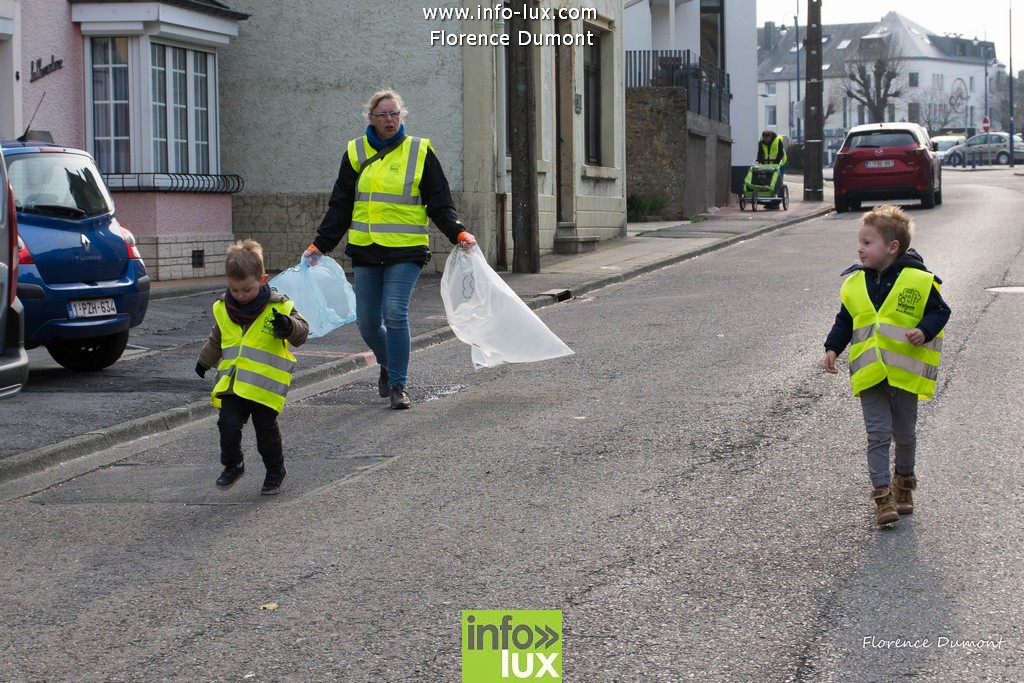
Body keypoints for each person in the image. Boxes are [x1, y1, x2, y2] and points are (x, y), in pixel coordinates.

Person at [303, 88, 476, 409]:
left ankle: (398, 384)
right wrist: (321, 244)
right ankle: (387, 363)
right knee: (367, 322)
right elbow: (341, 205)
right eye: (383, 115)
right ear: (371, 118)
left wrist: (458, 233)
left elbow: (439, 202)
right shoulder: (355, 152)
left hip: (406, 250)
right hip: (365, 249)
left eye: (395, 114)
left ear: (402, 116)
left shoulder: (419, 152)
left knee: (394, 313)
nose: (389, 120)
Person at [823, 206, 951, 526]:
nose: (860, 248)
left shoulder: (919, 281)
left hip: (904, 373)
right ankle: (882, 496)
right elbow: (845, 321)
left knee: (905, 435)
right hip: (870, 373)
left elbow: (940, 311)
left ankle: (904, 484)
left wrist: (925, 330)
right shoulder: (854, 285)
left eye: (868, 242)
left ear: (892, 247)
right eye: (860, 242)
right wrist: (832, 348)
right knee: (878, 434)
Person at [196, 239, 310, 495]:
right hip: (233, 384)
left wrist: (289, 326)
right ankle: (233, 465)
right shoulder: (224, 308)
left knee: (265, 434)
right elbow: (217, 338)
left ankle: (275, 472)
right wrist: (204, 361)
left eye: (246, 289)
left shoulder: (279, 306)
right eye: (234, 290)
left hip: (264, 387)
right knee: (227, 424)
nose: (240, 295)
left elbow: (302, 332)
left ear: (262, 279)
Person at [757, 129, 788, 196]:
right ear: (763, 137)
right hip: (768, 164)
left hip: (780, 162)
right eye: (765, 138)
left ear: (770, 137)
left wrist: (776, 164)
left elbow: (780, 154)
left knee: (778, 178)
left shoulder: (778, 141)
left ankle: (779, 194)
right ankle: (769, 193)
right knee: (768, 179)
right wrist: (760, 162)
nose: (767, 140)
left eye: (768, 138)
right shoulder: (762, 142)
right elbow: (760, 153)